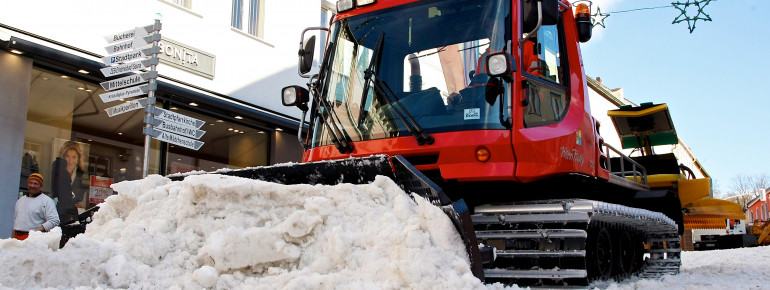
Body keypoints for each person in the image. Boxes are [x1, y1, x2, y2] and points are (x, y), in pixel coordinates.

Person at [13, 173, 60, 240]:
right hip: (17, 238)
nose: (32, 186)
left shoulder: (47, 201)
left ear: (41, 185)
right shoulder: (21, 200)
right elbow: (16, 220)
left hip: (34, 239)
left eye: (36, 183)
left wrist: (36, 231)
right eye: (31, 183)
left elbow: (54, 220)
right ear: (27, 184)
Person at [52, 140, 89, 224]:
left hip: (74, 215)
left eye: (74, 157)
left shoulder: (82, 175)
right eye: (67, 156)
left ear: (78, 158)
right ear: (63, 156)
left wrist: (84, 206)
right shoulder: (57, 171)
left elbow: (85, 197)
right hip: (58, 212)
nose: (70, 160)